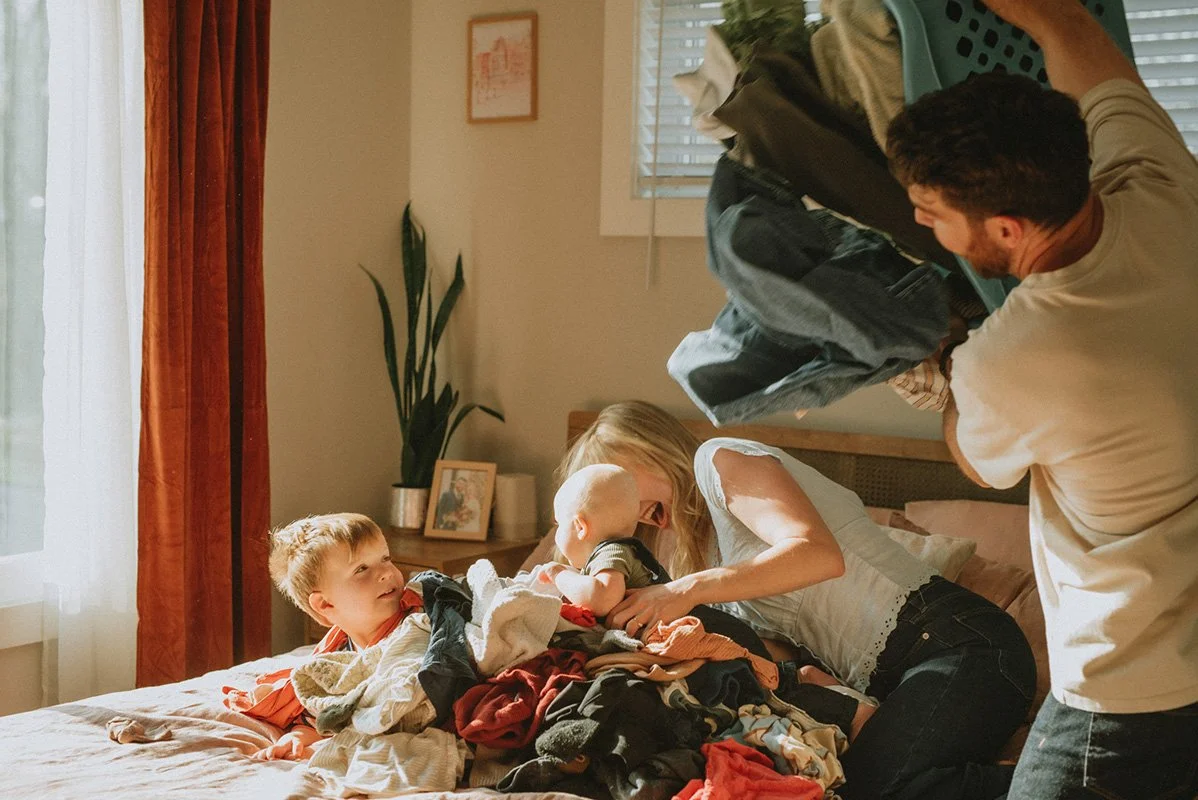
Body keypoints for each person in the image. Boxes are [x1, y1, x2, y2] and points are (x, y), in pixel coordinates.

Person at [884, 1, 1198, 796]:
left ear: (1010, 229)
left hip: (1128, 688)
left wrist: (943, 375)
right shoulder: (1162, 186)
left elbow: (972, 456)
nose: (920, 222)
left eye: (934, 213)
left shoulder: (1023, 353)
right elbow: (1077, 35)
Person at [561, 401, 1035, 799]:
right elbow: (774, 652)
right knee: (832, 786)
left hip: (961, 645)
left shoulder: (720, 459)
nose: (627, 512)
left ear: (652, 447)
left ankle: (1077, 783)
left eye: (619, 483)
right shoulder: (708, 550)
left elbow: (818, 554)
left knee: (871, 788)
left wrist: (686, 589)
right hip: (896, 680)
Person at [545, 460, 878, 743]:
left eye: (558, 524)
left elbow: (600, 598)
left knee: (762, 693)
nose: (556, 534)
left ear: (580, 525)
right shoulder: (620, 554)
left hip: (710, 637)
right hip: (712, 633)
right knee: (766, 679)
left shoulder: (611, 552)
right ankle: (804, 675)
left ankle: (855, 712)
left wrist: (559, 574)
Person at [224, 513, 421, 761]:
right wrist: (298, 737)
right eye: (361, 569)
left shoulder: (419, 621)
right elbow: (321, 712)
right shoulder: (334, 658)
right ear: (325, 605)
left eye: (385, 558)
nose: (386, 573)